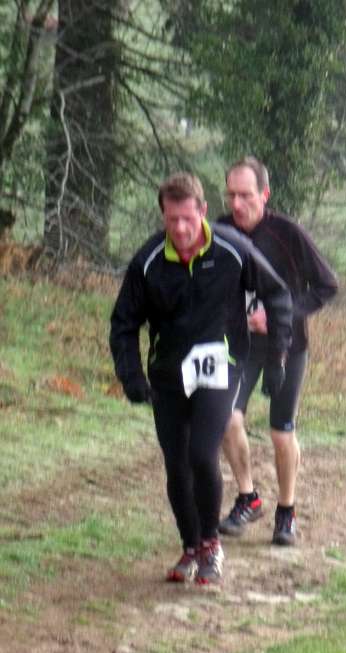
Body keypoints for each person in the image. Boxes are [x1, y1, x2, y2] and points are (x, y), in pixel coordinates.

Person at [109, 172, 292, 582]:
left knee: (202, 454)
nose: (180, 229)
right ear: (163, 216)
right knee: (176, 465)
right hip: (168, 372)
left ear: (204, 212)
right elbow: (123, 323)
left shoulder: (232, 249)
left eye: (188, 219)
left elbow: (278, 294)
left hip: (220, 364)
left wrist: (277, 356)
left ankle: (211, 544)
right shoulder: (148, 261)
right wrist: (130, 375)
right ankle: (190, 547)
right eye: (172, 220)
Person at [218, 157, 338, 546]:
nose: (237, 204)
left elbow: (327, 286)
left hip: (287, 346)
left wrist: (281, 314)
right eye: (231, 195)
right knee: (225, 417)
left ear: (265, 195)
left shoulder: (287, 233)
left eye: (246, 195)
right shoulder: (219, 231)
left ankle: (286, 511)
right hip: (239, 346)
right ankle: (248, 497)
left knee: (280, 432)